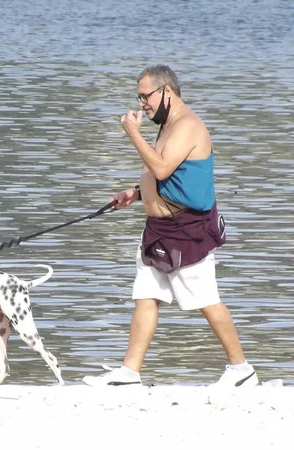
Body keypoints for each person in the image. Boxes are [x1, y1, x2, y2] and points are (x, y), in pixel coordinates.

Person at [83, 65, 258, 388]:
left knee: (206, 299)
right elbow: (174, 176)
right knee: (146, 295)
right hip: (159, 230)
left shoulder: (187, 125)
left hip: (187, 230)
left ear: (167, 91)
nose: (141, 105)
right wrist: (135, 195)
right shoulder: (167, 124)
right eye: (138, 98)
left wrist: (133, 134)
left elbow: (162, 168)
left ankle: (241, 369)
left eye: (145, 97)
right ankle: (130, 372)